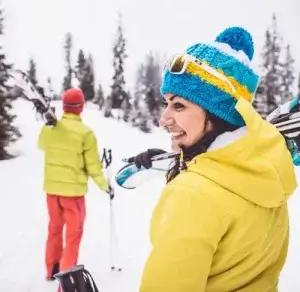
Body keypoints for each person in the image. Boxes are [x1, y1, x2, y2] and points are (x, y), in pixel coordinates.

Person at [129, 27, 297, 291]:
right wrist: (180, 162)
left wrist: (186, 179)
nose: (163, 119)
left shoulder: (192, 196)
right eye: (166, 103)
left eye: (179, 105)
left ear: (218, 114)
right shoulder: (268, 177)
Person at [37, 87, 114, 282]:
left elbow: (41, 145)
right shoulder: (85, 133)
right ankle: (67, 281)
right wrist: (106, 186)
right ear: (81, 107)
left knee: (54, 228)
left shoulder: (50, 128)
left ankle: (51, 268)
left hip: (52, 191)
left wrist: (51, 127)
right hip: (73, 195)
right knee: (73, 235)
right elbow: (94, 167)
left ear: (63, 107)